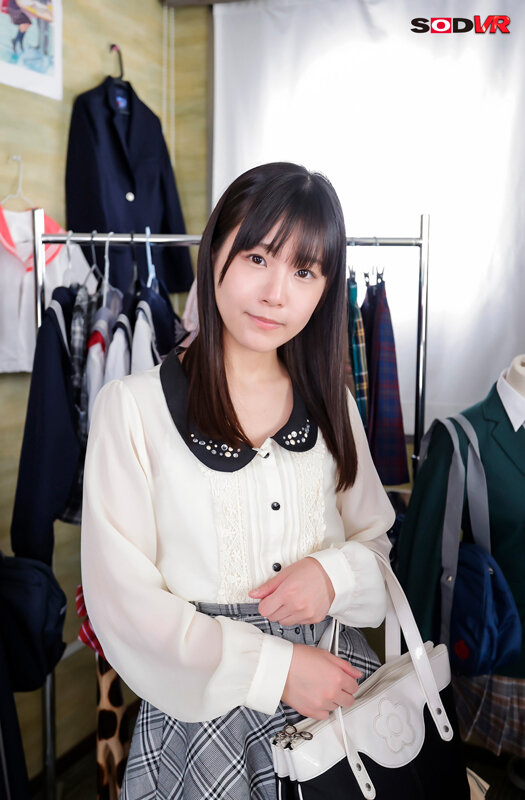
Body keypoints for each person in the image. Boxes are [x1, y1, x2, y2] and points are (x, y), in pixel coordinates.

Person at [81, 162, 396, 800]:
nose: (276, 293)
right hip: (202, 717)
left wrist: (332, 575)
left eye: (305, 272)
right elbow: (123, 603)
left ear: (325, 289)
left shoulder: (333, 405)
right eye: (257, 257)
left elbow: (378, 545)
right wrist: (276, 670)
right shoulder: (133, 408)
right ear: (215, 253)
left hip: (333, 693)